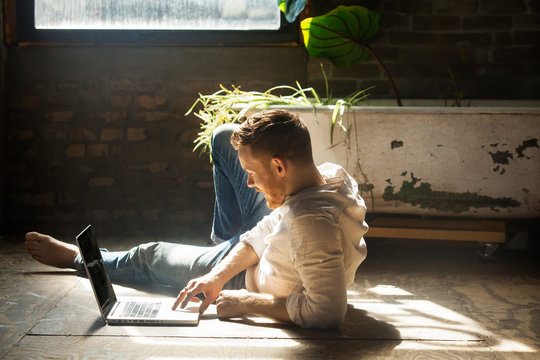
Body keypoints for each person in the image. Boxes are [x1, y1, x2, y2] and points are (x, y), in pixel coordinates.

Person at [25, 109, 368, 329]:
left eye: (253, 174)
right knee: (223, 139)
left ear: (279, 166)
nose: (248, 182)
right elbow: (269, 226)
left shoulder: (310, 225)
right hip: (261, 249)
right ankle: (220, 247)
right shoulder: (332, 175)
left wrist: (244, 301)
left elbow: (326, 313)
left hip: (247, 279)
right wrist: (216, 274)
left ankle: (76, 258)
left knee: (151, 255)